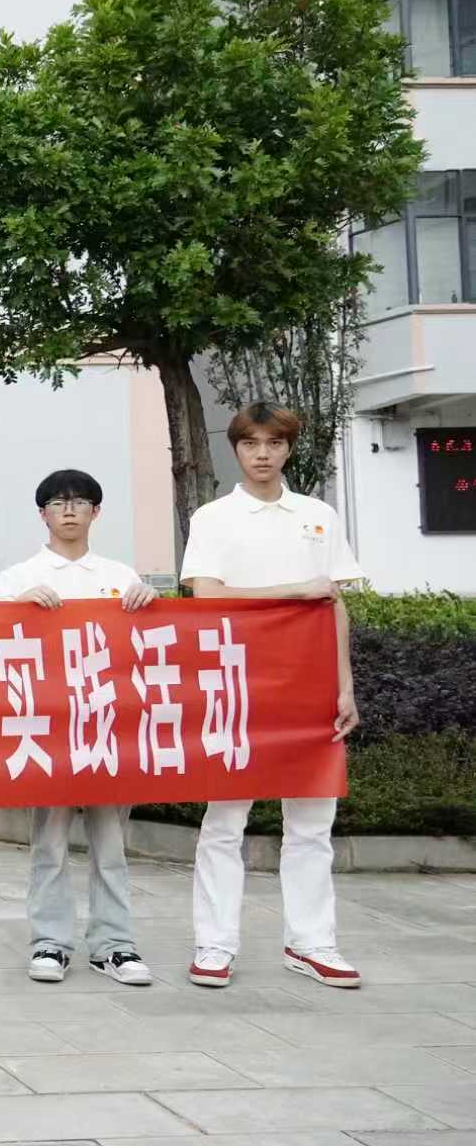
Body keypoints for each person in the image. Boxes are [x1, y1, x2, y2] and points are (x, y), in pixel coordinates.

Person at [180, 403, 364, 990]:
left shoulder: (317, 516)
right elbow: (207, 595)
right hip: (235, 680)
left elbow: (333, 603)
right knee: (225, 818)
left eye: (274, 443)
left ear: (288, 448)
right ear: (236, 448)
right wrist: (295, 590)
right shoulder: (213, 517)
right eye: (251, 443)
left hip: (309, 683)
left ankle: (312, 942)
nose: (263, 454)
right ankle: (214, 944)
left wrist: (344, 685)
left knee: (311, 820)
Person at [0, 470, 158, 988]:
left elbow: (143, 647)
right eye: (58, 503)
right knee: (50, 843)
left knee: (111, 844)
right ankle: (50, 941)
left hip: (107, 725)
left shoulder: (120, 575)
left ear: (96, 512)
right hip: (47, 728)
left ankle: (115, 944)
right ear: (42, 513)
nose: (69, 510)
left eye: (80, 502)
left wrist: (149, 603)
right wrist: (18, 610)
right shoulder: (18, 578)